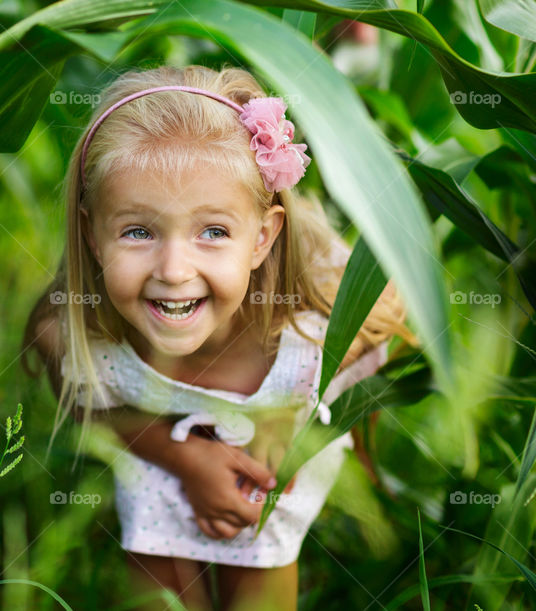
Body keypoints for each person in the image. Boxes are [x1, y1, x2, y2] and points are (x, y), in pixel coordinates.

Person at [21, 64, 418, 610]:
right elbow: (95, 409)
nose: (174, 269)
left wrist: (290, 416)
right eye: (138, 231)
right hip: (157, 451)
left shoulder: (311, 334)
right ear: (91, 235)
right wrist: (182, 458)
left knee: (256, 562)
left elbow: (392, 302)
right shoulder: (74, 336)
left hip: (269, 467)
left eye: (213, 232)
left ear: (261, 239)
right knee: (157, 578)